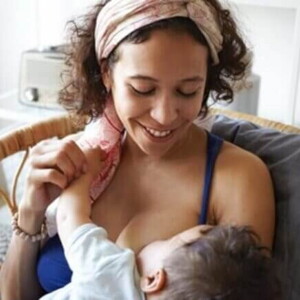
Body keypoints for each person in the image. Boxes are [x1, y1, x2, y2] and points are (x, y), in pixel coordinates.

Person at [0, 0, 275, 299]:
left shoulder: (237, 178)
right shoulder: (80, 157)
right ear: (107, 73)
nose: (164, 115)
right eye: (143, 89)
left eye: (188, 91)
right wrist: (31, 211)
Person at [41, 146, 280, 300]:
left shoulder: (112, 271)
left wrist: (86, 172)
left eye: (169, 239)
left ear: (153, 279)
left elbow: (69, 216)